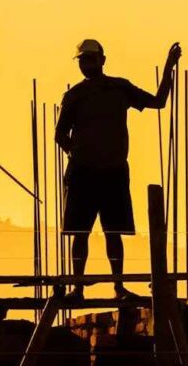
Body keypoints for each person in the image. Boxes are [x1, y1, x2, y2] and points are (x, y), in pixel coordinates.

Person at [55, 40, 181, 300]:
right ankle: (78, 287)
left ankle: (118, 286)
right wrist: (77, 153)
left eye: (90, 60)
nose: (86, 64)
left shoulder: (119, 88)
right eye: (83, 61)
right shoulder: (75, 95)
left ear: (102, 60)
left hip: (112, 172)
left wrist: (169, 66)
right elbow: (60, 134)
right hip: (84, 173)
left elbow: (158, 101)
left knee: (114, 232)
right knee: (80, 232)